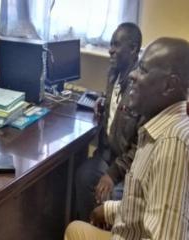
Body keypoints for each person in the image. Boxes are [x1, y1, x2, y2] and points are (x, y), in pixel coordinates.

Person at [65, 37, 189, 239]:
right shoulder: (161, 126)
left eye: (143, 70)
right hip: (129, 227)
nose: (132, 74)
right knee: (75, 228)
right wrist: (108, 210)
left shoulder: (171, 145)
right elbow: (144, 203)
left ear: (169, 85)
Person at [75, 22, 142, 221]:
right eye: (110, 44)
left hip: (127, 166)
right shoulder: (114, 73)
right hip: (106, 154)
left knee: (109, 195)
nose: (110, 50)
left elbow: (139, 145)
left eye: (116, 45)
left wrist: (112, 174)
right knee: (82, 175)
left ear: (133, 49)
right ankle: (90, 226)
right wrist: (103, 100)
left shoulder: (140, 89)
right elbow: (116, 105)